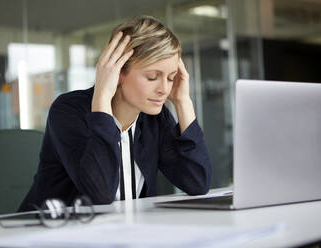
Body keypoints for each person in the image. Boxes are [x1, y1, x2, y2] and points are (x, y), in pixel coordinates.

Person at [19, 15, 211, 211]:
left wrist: (183, 102)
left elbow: (198, 182)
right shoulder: (68, 110)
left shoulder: (154, 118)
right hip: (50, 233)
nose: (164, 89)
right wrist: (102, 97)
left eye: (171, 78)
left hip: (122, 232)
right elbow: (100, 194)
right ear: (118, 72)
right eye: (152, 77)